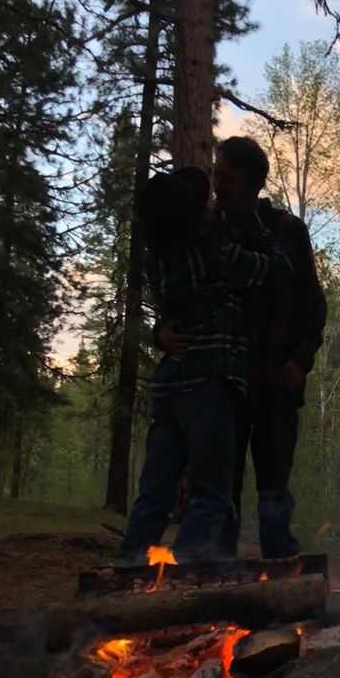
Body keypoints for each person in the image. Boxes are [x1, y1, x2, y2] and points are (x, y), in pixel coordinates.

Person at [158, 136, 327, 559]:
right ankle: (216, 575)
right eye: (216, 174)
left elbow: (312, 302)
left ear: (252, 183)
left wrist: (300, 359)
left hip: (275, 381)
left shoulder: (286, 231)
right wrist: (159, 332)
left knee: (274, 482)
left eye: (227, 177)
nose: (217, 185)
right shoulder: (204, 228)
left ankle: (280, 573)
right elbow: (178, 291)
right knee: (218, 485)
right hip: (218, 386)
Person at [119, 168, 292, 565]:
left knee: (155, 491)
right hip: (210, 385)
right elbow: (277, 269)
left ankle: (127, 570)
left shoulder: (158, 261)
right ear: (194, 219)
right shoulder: (218, 256)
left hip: (169, 386)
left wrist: (158, 331)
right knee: (213, 493)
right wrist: (252, 225)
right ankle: (178, 576)